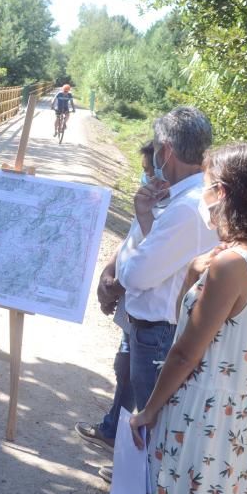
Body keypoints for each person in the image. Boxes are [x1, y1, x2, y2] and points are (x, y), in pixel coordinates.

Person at [131, 143, 247, 494]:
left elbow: (185, 352)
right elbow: (202, 324)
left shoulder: (228, 264)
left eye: (210, 186)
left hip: (199, 408)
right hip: (232, 410)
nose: (204, 197)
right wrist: (192, 274)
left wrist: (148, 410)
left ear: (225, 193)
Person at [115, 106, 220, 415]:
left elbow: (136, 276)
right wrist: (145, 217)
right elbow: (160, 257)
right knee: (148, 420)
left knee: (150, 422)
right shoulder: (190, 197)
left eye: (157, 148)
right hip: (160, 326)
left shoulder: (187, 207)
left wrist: (125, 265)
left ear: (167, 150)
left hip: (160, 330)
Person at [77, 141, 155, 472]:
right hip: (134, 309)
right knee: (125, 370)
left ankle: (134, 465)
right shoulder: (152, 203)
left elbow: (150, 262)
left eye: (150, 170)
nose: (146, 176)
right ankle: (113, 430)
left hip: (152, 314)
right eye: (145, 170)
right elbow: (131, 242)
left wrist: (114, 287)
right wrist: (109, 273)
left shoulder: (178, 212)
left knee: (143, 383)